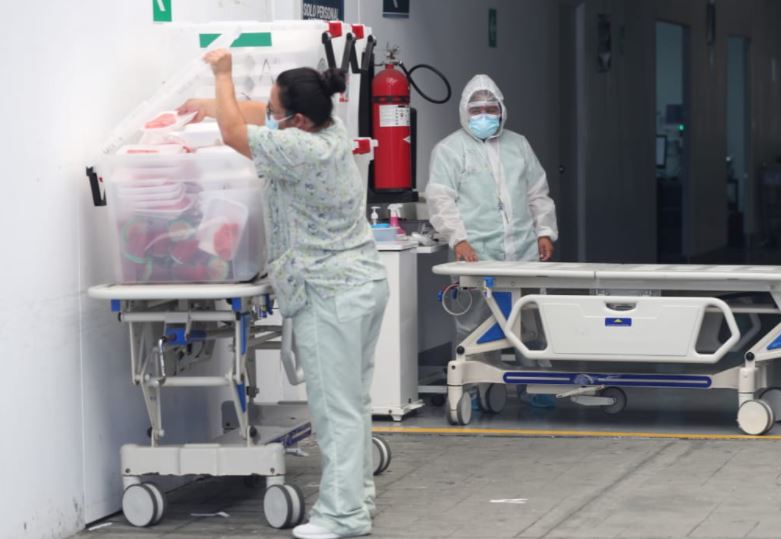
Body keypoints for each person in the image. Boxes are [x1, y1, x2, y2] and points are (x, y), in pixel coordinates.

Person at [179, 49, 388, 539]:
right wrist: (208, 104)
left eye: (275, 110)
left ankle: (341, 518)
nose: (267, 114)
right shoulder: (327, 132)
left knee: (335, 410)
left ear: (297, 119)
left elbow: (237, 135)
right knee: (351, 405)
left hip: (329, 292)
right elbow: (253, 116)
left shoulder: (303, 150)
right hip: (359, 284)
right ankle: (357, 502)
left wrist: (222, 74)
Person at [425, 74, 559, 409]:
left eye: (490, 107)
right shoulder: (449, 150)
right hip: (476, 254)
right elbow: (441, 200)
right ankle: (470, 386)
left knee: (530, 318)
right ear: (464, 112)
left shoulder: (519, 145)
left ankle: (538, 385)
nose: (484, 115)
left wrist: (544, 231)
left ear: (502, 109)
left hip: (523, 251)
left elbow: (537, 192)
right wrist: (459, 240)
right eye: (477, 109)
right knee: (473, 325)